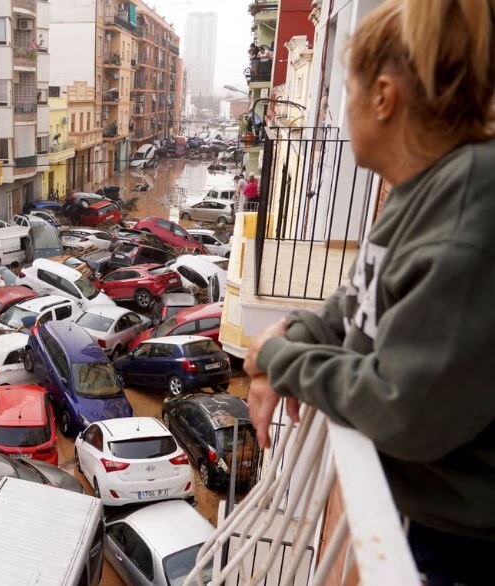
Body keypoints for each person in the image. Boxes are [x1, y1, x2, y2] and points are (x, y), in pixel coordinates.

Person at [243, 1, 495, 584]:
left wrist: (278, 357)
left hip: (463, 550)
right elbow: (359, 298)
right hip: (430, 521)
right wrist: (297, 332)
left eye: (346, 89)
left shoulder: (466, 212)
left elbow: (402, 406)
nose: (341, 108)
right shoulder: (419, 188)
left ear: (383, 97)